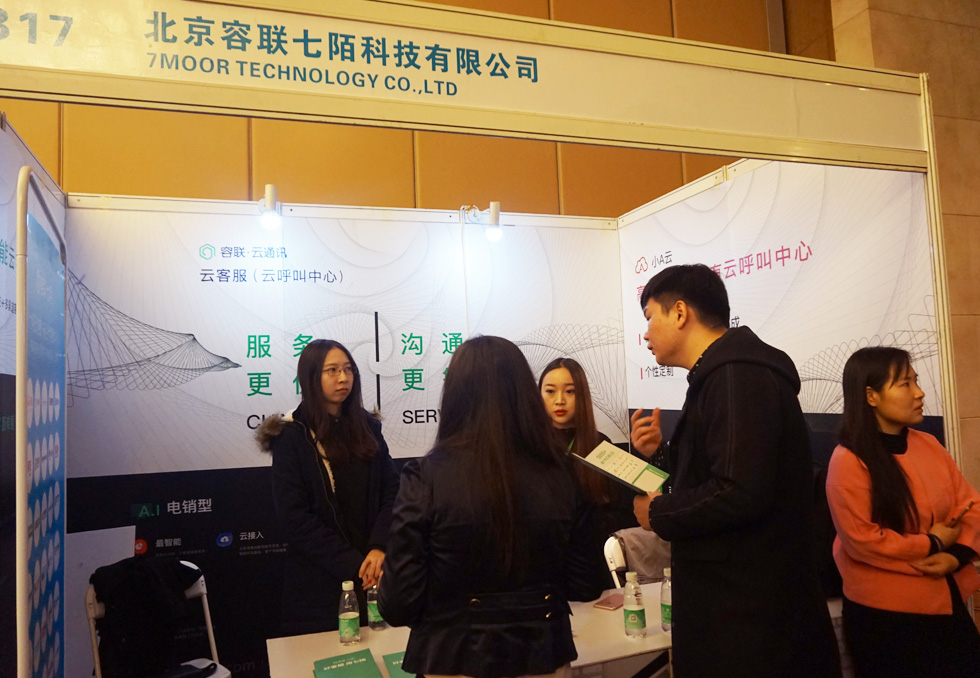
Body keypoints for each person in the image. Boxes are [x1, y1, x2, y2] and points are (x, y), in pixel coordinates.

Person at [629, 264, 840, 677]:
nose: (646, 334)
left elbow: (738, 489)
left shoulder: (736, 375)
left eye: (650, 317)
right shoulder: (722, 375)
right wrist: (660, 456)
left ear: (679, 312)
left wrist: (658, 513)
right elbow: (722, 470)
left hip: (750, 621)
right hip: (740, 613)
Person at [379, 336, 607, 678]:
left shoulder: (425, 477)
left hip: (452, 657)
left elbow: (398, 603)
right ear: (526, 394)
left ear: (454, 395)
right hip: (543, 655)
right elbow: (584, 584)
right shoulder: (564, 473)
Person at [826, 346, 980, 678]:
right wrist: (932, 544)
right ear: (871, 396)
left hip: (946, 600)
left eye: (916, 381)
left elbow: (970, 506)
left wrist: (956, 555)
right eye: (905, 384)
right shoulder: (848, 460)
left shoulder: (929, 445)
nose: (919, 393)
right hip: (885, 616)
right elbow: (862, 541)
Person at [258, 339, 399, 636]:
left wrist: (379, 547)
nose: (343, 378)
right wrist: (355, 565)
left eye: (348, 369)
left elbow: (393, 493)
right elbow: (295, 519)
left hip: (375, 573)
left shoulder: (368, 428)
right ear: (311, 377)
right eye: (332, 370)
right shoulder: (292, 436)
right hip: (319, 584)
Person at [539, 357, 639, 539]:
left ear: (582, 395)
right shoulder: (530, 444)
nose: (559, 400)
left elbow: (625, 511)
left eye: (570, 391)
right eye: (550, 391)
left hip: (589, 548)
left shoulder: (600, 444)